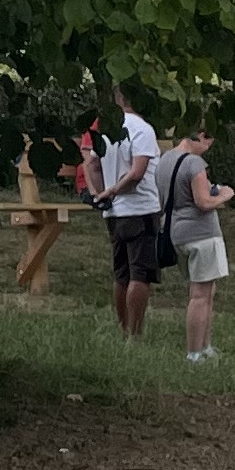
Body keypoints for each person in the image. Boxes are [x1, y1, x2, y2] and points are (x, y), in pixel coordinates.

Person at [79, 89, 165, 338]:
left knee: (121, 273)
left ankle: (123, 327)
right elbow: (138, 172)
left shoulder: (108, 129)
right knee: (140, 273)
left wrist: (100, 193)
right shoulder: (142, 129)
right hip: (140, 209)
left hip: (114, 213)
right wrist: (115, 190)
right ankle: (135, 333)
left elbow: (91, 164)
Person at [163, 131, 235, 358]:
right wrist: (224, 195)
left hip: (175, 231)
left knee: (205, 291)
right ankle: (194, 352)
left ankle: (205, 346)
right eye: (209, 140)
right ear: (200, 136)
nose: (209, 146)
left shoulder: (165, 159)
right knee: (200, 296)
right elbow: (203, 202)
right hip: (201, 234)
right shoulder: (195, 164)